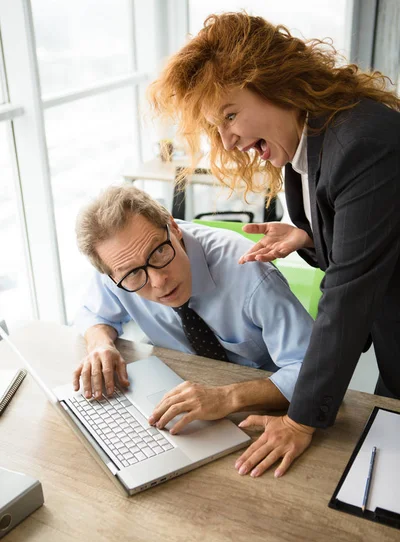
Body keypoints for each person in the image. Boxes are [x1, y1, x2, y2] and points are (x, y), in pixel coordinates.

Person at [148, 11, 400, 477]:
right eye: (216, 126)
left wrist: (300, 421)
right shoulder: (305, 141)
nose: (227, 141)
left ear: (273, 81)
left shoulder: (362, 141)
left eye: (230, 115)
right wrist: (309, 234)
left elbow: (348, 293)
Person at [73, 185, 313, 476]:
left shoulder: (249, 273)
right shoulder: (121, 267)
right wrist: (100, 343)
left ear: (174, 228)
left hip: (267, 414)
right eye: (135, 273)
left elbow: (313, 369)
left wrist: (227, 398)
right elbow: (93, 313)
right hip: (187, 404)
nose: (159, 282)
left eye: (159, 252)